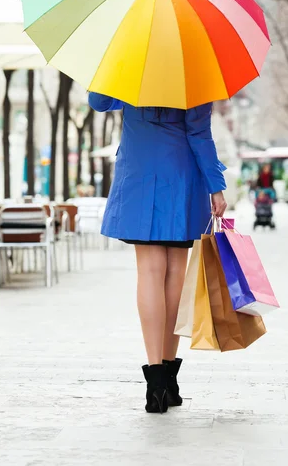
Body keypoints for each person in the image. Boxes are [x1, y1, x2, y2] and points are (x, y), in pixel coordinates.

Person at [88, 93, 227, 414]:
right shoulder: (193, 71)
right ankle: (169, 376)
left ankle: (155, 385)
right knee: (176, 275)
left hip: (138, 175)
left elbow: (98, 101)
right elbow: (199, 134)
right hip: (182, 176)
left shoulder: (129, 65)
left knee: (149, 272)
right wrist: (216, 186)